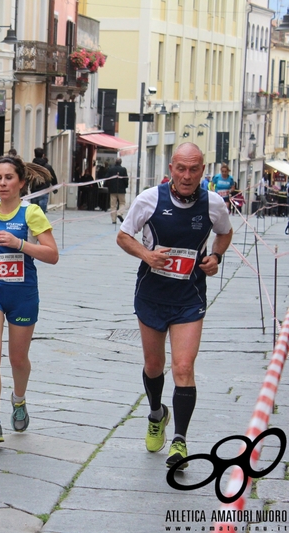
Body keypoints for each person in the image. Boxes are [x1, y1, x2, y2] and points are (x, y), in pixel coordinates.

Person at [116, 143, 233, 470]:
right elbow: (124, 236)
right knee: (154, 365)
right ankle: (157, 414)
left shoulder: (214, 203)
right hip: (152, 294)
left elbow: (225, 233)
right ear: (171, 168)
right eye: (180, 168)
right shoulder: (149, 199)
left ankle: (180, 441)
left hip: (188, 298)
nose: (186, 175)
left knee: (183, 367)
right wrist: (146, 254)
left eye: (193, 169)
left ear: (203, 170)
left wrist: (216, 257)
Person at [0, 156, 59, 443]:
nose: (2, 183)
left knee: (18, 358)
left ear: (21, 182)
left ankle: (18, 400)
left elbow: (52, 255)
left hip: (22, 294)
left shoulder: (31, 214)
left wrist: (20, 244)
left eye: (8, 178)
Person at [31, 148, 58, 214]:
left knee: (34, 213)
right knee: (42, 214)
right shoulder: (48, 167)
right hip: (44, 191)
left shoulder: (31, 166)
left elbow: (27, 178)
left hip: (34, 192)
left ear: (35, 155)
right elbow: (53, 177)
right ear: (43, 155)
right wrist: (55, 187)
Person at [105, 158, 129, 224]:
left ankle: (113, 220)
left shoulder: (111, 169)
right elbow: (125, 179)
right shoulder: (123, 169)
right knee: (122, 203)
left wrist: (108, 185)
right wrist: (126, 186)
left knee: (113, 205)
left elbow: (107, 178)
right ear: (121, 162)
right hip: (121, 190)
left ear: (115, 162)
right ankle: (119, 213)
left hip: (112, 190)